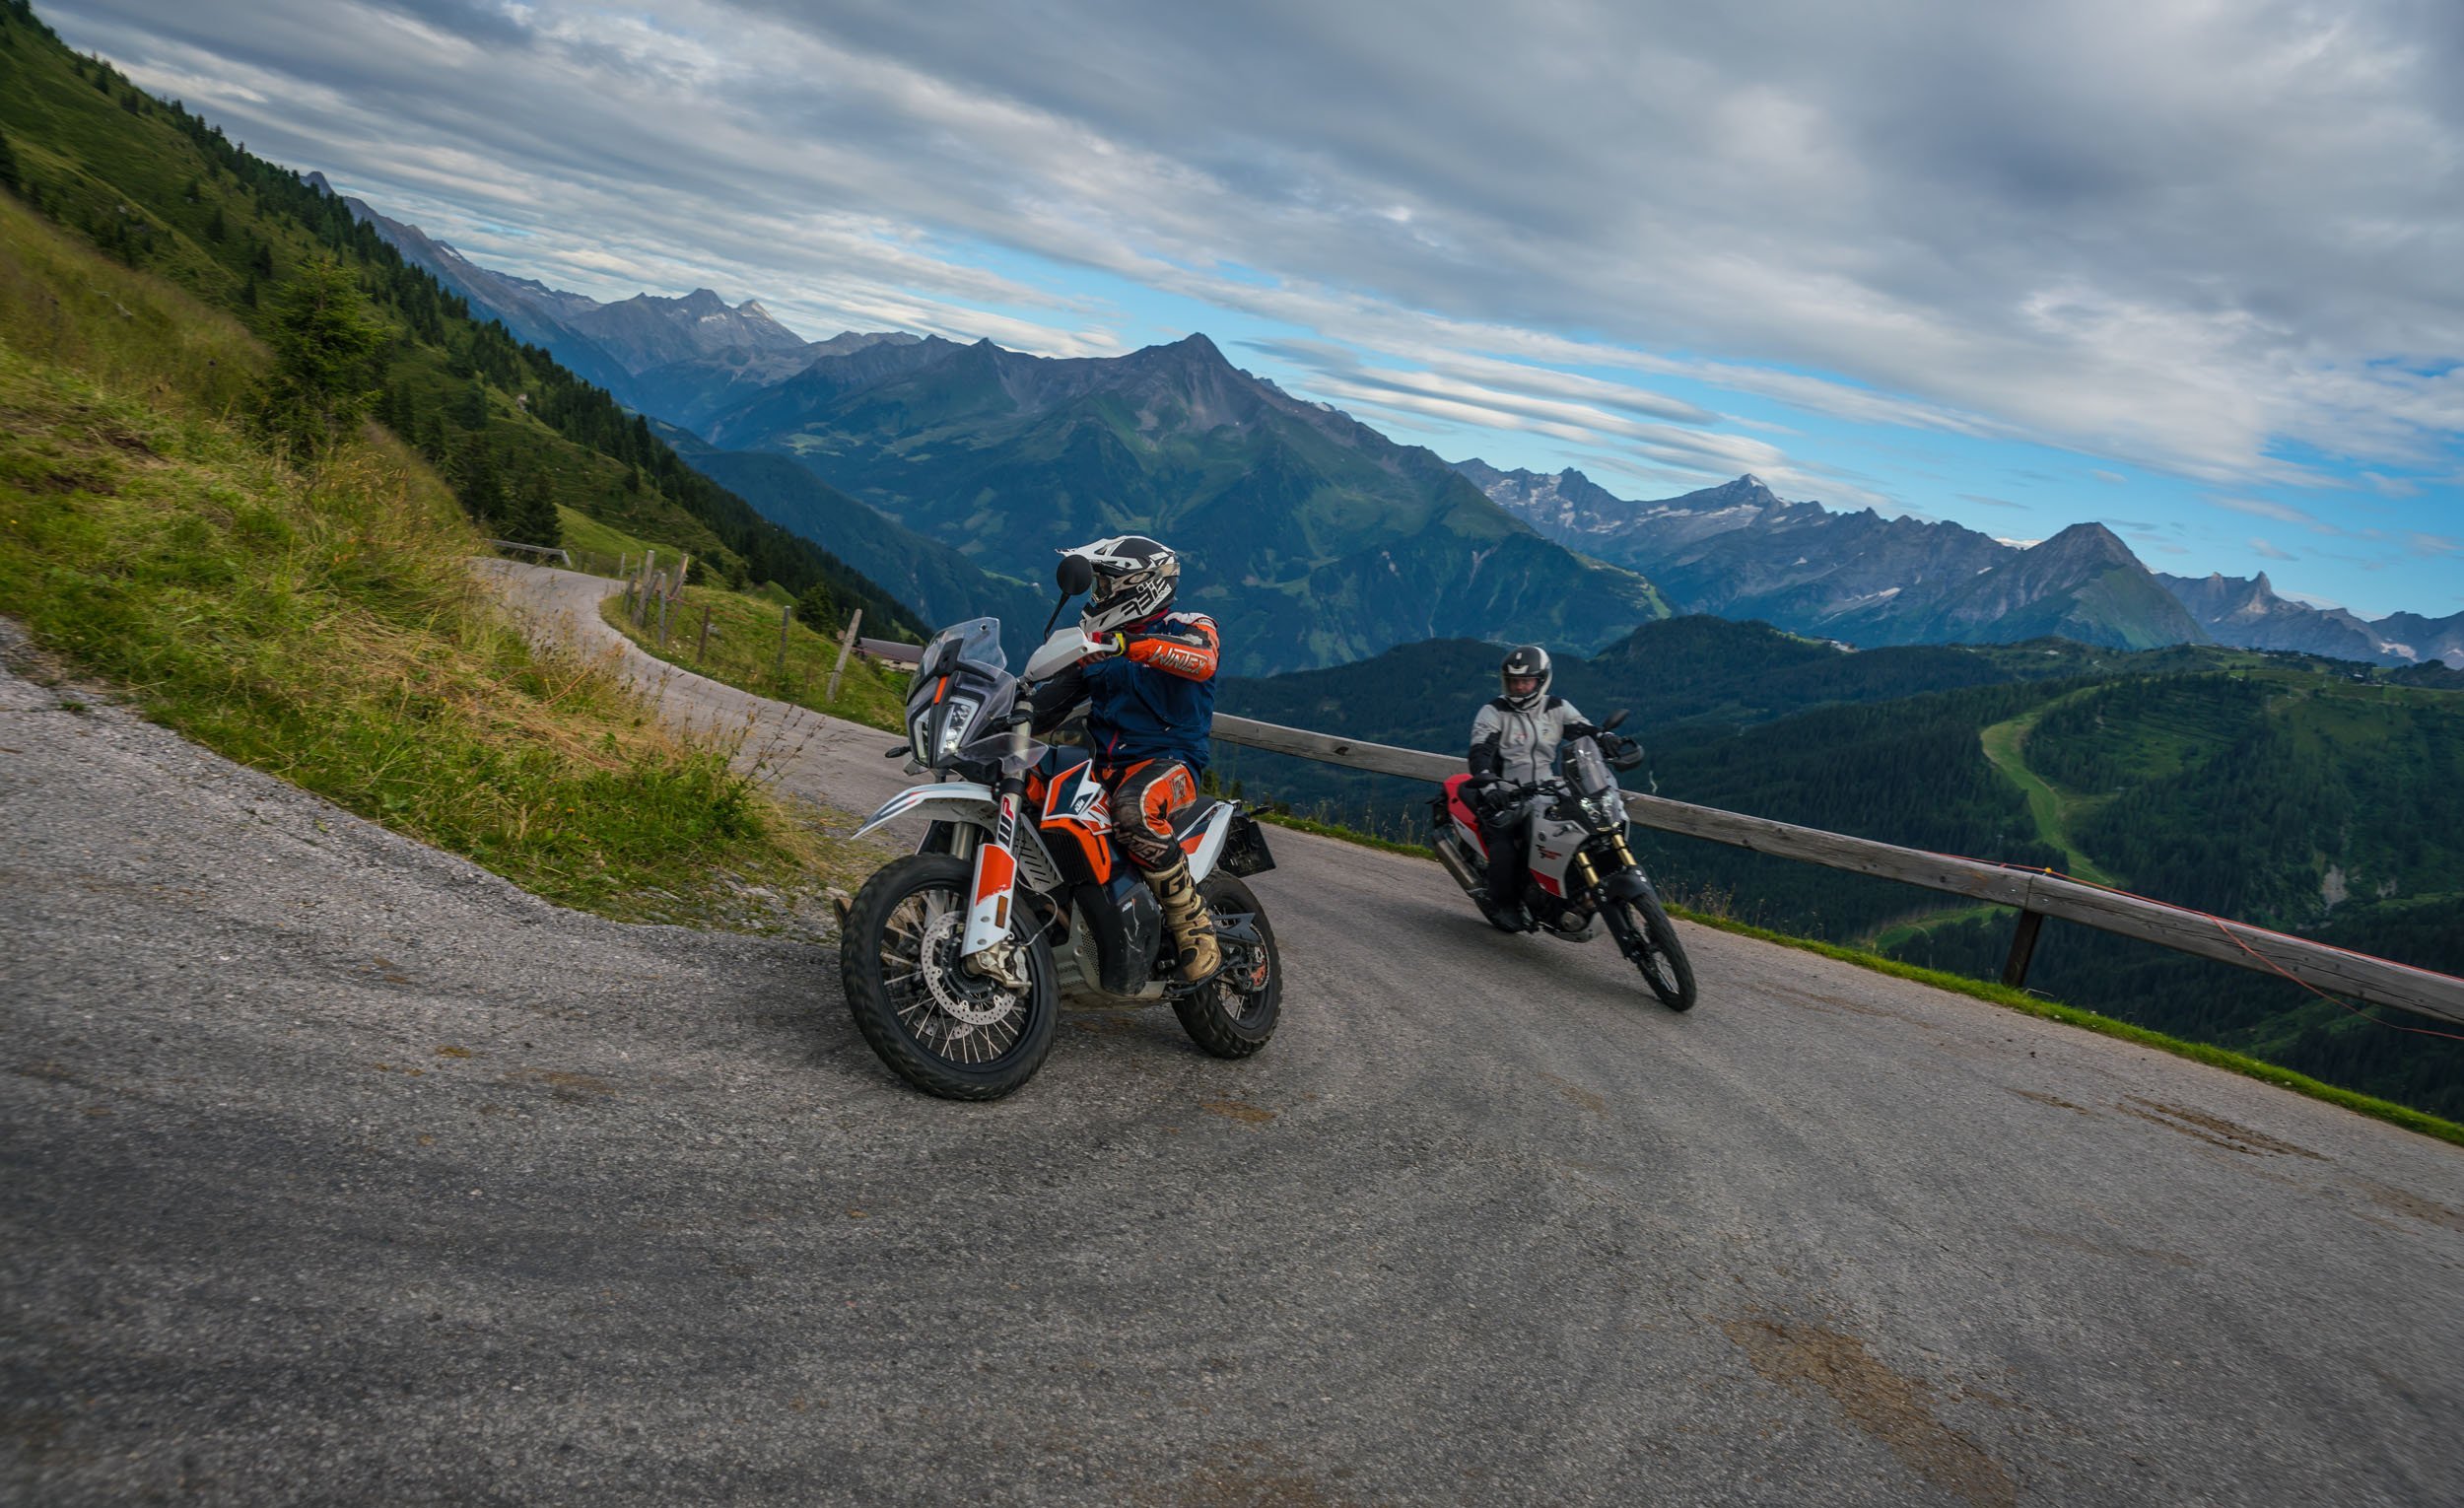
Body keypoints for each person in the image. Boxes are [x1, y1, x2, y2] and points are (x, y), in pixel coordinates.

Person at [1030, 534, 1224, 980]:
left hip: (1171, 763)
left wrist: (1125, 644)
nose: (1098, 595)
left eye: (1105, 585)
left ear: (1142, 584)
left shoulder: (1189, 624)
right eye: (1096, 586)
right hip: (1104, 767)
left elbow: (1202, 661)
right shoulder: (1096, 650)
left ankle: (1192, 921)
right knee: (1015, 779)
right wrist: (1007, 709)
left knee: (1134, 811)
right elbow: (1047, 708)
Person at [1466, 644, 1618, 930]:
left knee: (1582, 829)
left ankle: (1575, 890)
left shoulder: (1557, 708)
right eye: (1514, 682)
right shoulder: (1493, 712)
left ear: (1541, 680)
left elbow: (1583, 730)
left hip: (1550, 787)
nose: (1520, 687)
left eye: (1526, 681)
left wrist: (1603, 736)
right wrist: (1489, 785)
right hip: (1506, 790)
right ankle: (1503, 903)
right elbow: (1479, 752)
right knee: (1505, 845)